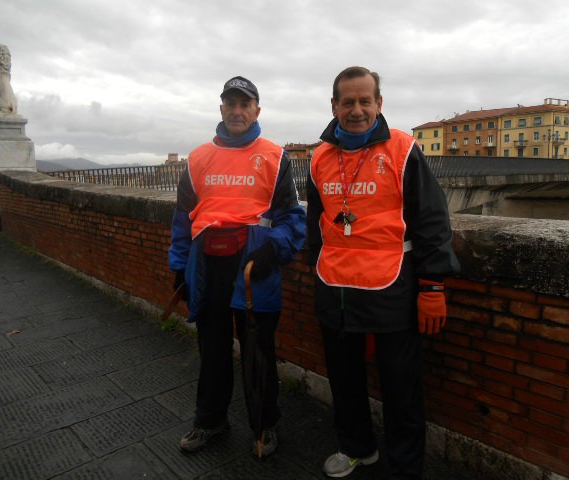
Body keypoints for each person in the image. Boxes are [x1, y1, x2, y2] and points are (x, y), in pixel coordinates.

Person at [306, 66, 460, 479]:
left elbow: (432, 220)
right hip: (335, 287)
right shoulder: (319, 158)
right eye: (348, 102)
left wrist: (432, 286)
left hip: (391, 287)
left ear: (379, 103)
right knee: (344, 380)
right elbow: (314, 224)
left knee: (400, 387)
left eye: (365, 101)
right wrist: (313, 271)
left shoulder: (403, 149)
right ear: (334, 105)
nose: (356, 110)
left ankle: (405, 469)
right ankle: (357, 447)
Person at [168, 76, 306, 457]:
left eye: (245, 104)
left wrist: (272, 251)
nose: (237, 111)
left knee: (257, 352)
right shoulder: (197, 159)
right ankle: (210, 420)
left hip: (252, 266)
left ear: (257, 111)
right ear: (221, 109)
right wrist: (179, 267)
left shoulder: (275, 157)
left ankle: (264, 425)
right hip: (207, 266)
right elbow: (182, 219)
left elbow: (293, 218)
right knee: (212, 349)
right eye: (231, 103)